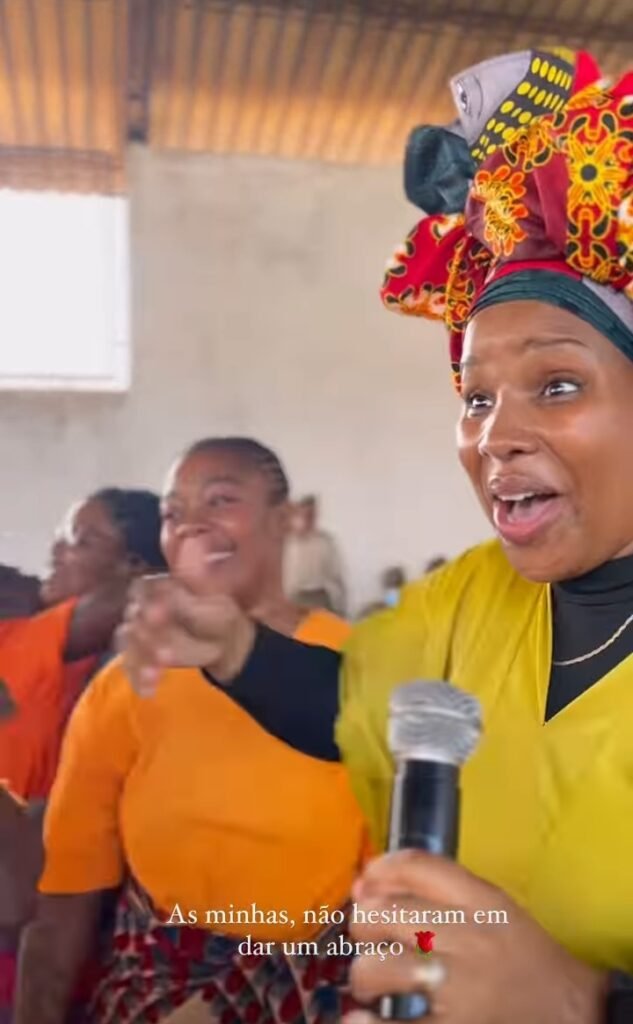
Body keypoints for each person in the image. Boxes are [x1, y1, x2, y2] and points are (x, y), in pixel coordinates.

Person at [71, 49, 633, 1023]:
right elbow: (358, 702)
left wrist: (582, 1002)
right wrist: (235, 648)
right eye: (475, 398)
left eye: (556, 384)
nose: (494, 435)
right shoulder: (477, 595)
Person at [17, 438, 369, 1024]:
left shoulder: (356, 670)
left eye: (221, 500)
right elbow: (68, 889)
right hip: (155, 989)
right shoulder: (127, 682)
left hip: (317, 991)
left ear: (283, 520)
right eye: (173, 512)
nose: (191, 526)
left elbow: (402, 901)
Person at [0, 487, 166, 802]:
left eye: (80, 541)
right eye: (61, 537)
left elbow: (138, 595)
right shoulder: (22, 636)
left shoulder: (46, 639)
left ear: (132, 563)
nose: (55, 551)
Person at [284, 496, 347, 615]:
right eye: (304, 515)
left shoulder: (325, 542)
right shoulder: (284, 544)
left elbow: (337, 577)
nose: (308, 519)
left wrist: (341, 608)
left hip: (319, 598)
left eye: (312, 515)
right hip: (293, 600)